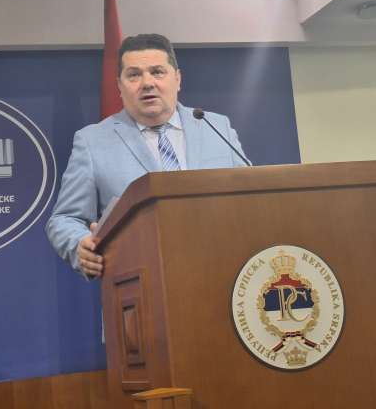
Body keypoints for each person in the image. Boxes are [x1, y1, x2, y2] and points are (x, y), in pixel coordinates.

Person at [46, 33, 248, 278]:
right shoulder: (92, 141)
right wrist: (79, 244)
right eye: (134, 75)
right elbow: (64, 218)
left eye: (157, 72)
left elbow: (250, 197)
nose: (147, 83)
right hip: (141, 282)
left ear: (177, 79)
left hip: (226, 274)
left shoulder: (216, 127)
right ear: (119, 86)